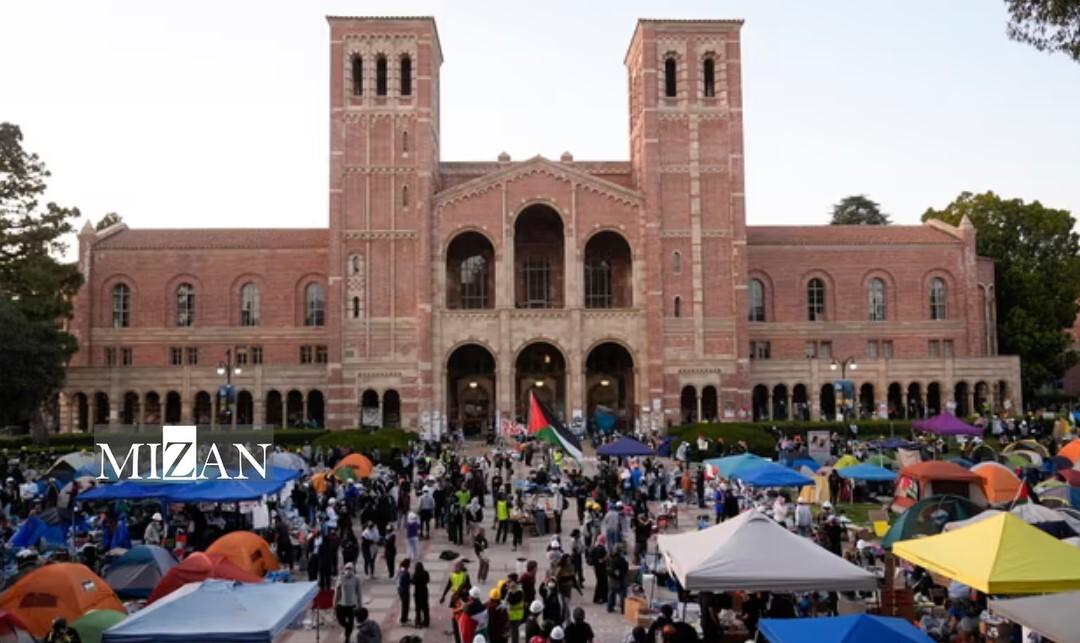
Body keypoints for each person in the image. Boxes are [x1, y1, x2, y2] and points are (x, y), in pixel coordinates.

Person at [334, 562, 362, 642]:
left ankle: (347, 638)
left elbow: (359, 592)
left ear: (353, 569)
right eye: (347, 569)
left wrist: (360, 604)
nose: (348, 571)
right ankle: (347, 629)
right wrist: (334, 603)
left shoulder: (356, 579)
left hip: (351, 605)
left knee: (351, 623)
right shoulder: (341, 578)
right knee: (341, 621)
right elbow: (336, 591)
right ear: (344, 569)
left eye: (350, 569)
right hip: (341, 604)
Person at [606, 545, 629, 614]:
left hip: (612, 579)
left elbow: (608, 569)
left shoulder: (610, 559)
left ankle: (610, 607)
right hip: (621, 580)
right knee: (623, 595)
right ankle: (623, 609)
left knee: (611, 594)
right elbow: (625, 569)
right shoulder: (622, 560)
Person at [412, 561, 431, 628]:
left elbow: (413, 582)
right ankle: (426, 621)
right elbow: (428, 580)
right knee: (425, 607)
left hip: (417, 592)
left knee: (418, 608)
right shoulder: (425, 573)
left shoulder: (415, 574)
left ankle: (418, 621)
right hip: (424, 591)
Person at [397, 558, 412, 626]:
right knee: (405, 605)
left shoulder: (401, 570)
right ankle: (403, 620)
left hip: (400, 590)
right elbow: (407, 582)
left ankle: (405, 618)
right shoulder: (406, 573)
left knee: (404, 605)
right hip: (404, 591)